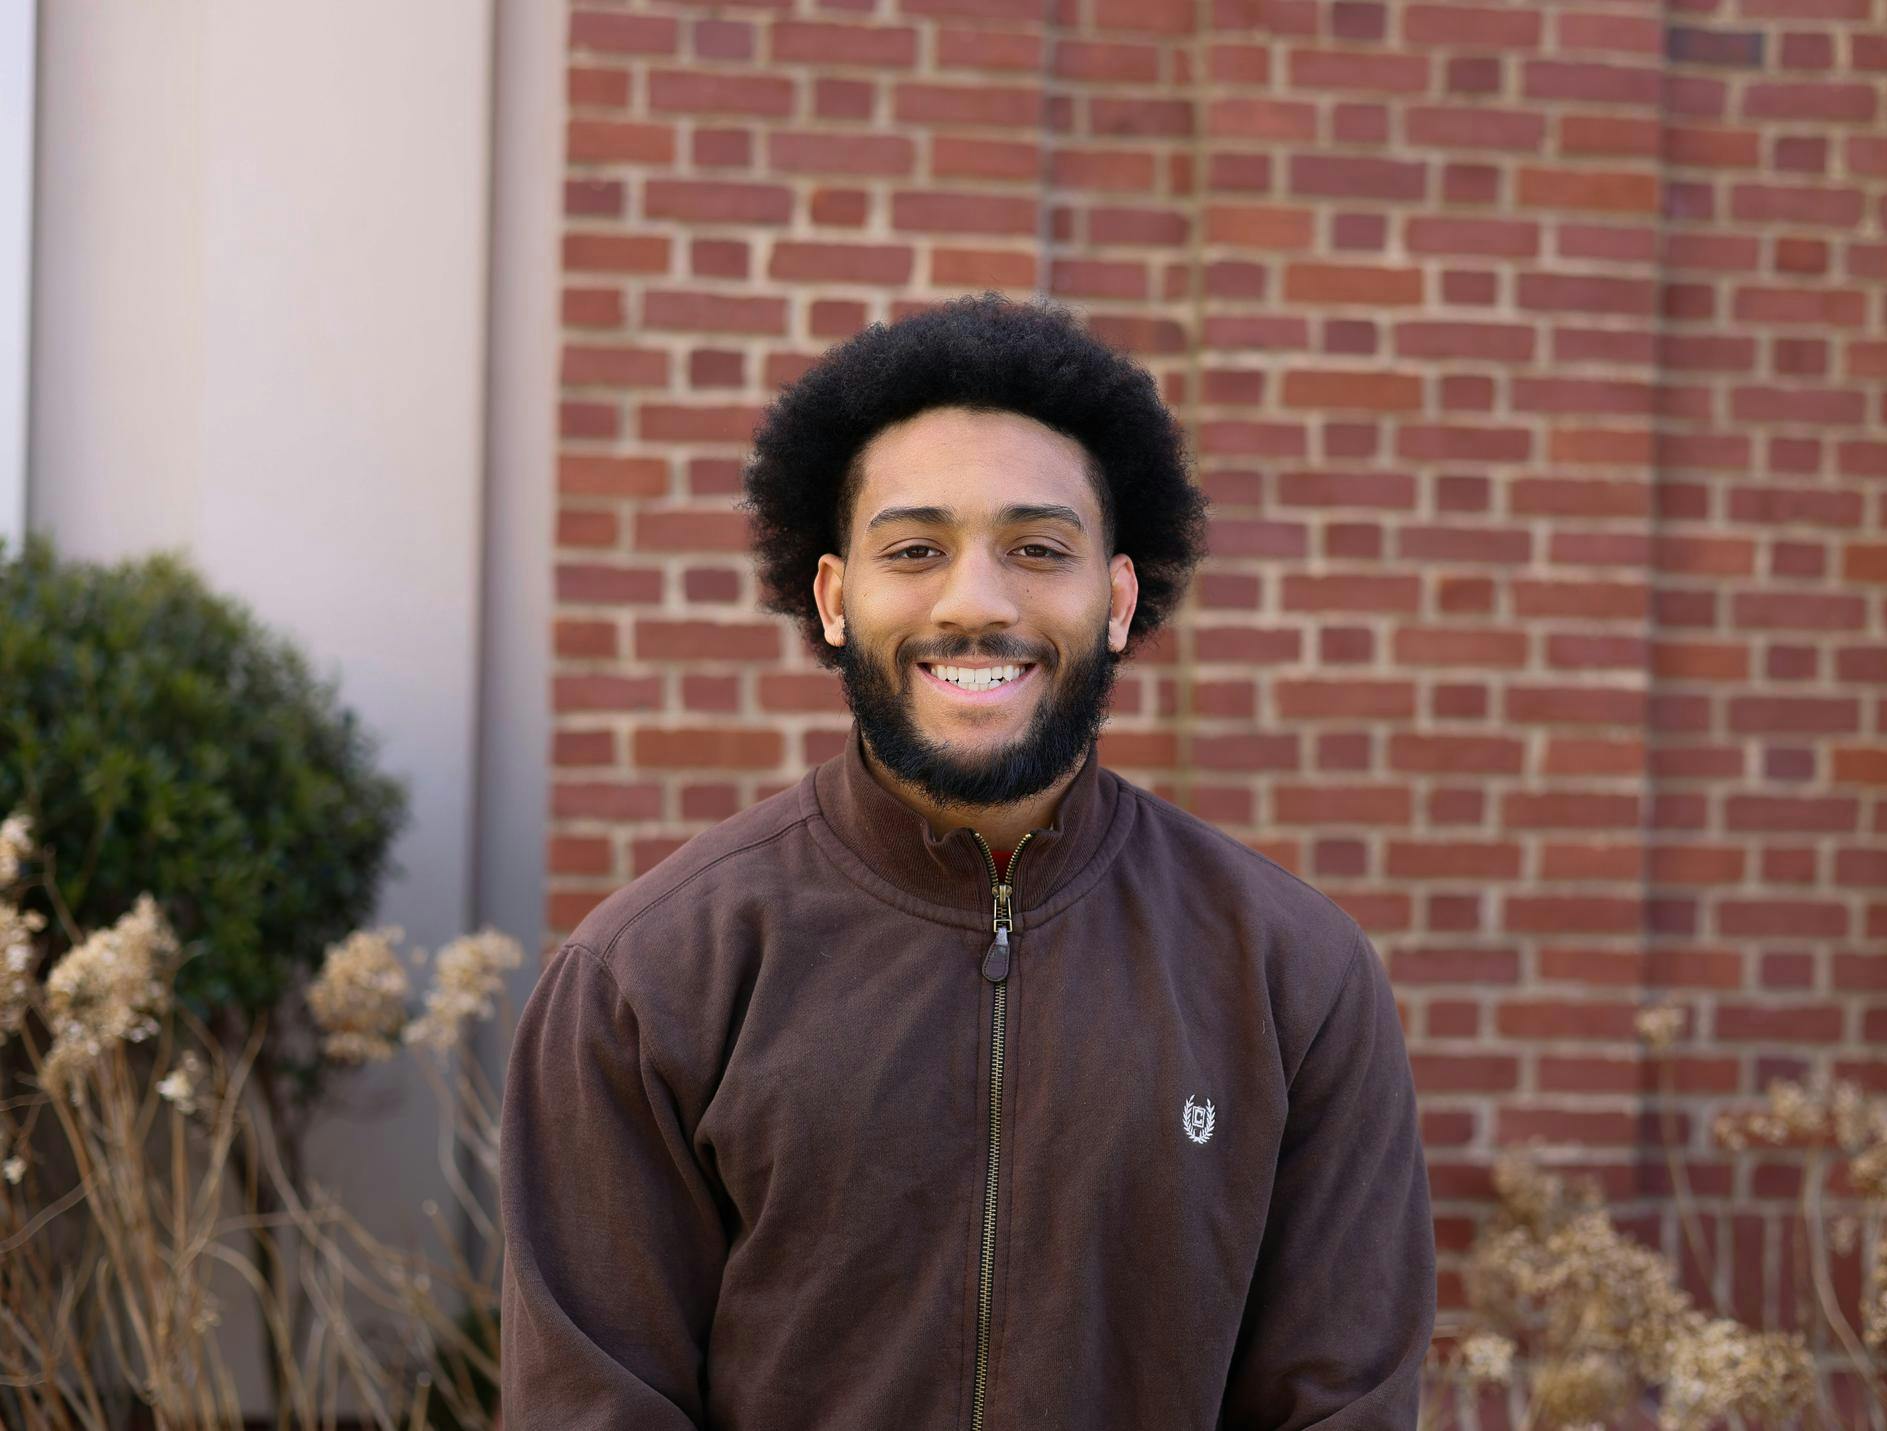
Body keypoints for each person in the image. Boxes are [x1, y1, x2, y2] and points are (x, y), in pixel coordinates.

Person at [499, 294, 1436, 1429]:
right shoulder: (647, 980)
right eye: (915, 550)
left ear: (1118, 598)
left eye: (1037, 549)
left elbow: (1337, 1406)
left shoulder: (1293, 976)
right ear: (836, 598)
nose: (974, 601)